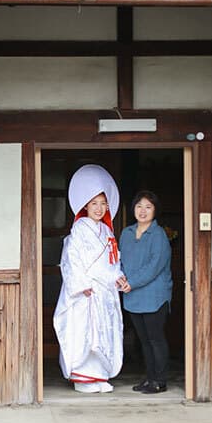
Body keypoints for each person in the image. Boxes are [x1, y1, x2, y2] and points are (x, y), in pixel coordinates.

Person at [53, 165, 127, 394]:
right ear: (85, 205)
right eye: (94, 203)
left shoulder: (107, 233)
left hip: (105, 291)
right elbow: (70, 261)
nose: (98, 208)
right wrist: (82, 285)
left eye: (102, 203)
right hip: (86, 291)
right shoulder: (78, 231)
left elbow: (112, 262)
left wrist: (119, 277)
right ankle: (82, 377)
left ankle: (100, 375)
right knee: (86, 332)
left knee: (104, 332)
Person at [118, 190, 173, 394]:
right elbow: (121, 260)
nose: (143, 211)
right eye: (139, 206)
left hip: (154, 296)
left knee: (155, 338)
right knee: (144, 340)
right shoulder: (127, 233)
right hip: (133, 295)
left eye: (148, 207)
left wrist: (131, 282)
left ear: (155, 211)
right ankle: (150, 379)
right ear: (133, 208)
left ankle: (160, 380)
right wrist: (121, 277)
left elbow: (154, 266)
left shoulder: (158, 235)